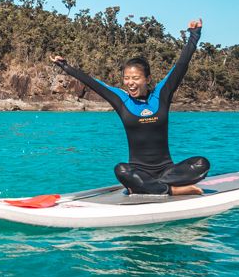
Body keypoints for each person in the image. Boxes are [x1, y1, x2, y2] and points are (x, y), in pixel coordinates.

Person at [50, 19, 209, 196]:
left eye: (135, 78)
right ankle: (171, 190)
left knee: (202, 163)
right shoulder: (121, 99)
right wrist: (65, 66)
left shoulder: (162, 94)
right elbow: (93, 82)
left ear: (147, 79)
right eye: (127, 78)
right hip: (138, 171)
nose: (130, 83)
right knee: (121, 170)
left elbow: (181, 65)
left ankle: (149, 187)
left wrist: (195, 34)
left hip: (167, 172)